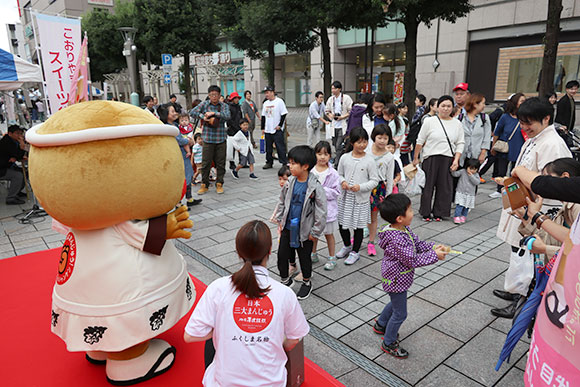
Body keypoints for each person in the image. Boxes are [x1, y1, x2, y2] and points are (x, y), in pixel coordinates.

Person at [184, 220, 309, 387]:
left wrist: (223, 329)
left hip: (224, 383)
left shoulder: (218, 287)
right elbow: (294, 339)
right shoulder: (284, 294)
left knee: (212, 333)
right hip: (271, 383)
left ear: (238, 252)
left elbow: (191, 335)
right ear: (269, 251)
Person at [491, 97, 572, 319]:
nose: (524, 127)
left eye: (529, 122)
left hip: (537, 208)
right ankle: (515, 290)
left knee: (528, 256)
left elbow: (555, 187)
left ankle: (521, 300)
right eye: (522, 121)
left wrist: (538, 215)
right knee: (518, 251)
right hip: (524, 202)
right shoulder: (536, 137)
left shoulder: (553, 144)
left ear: (546, 119)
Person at [373, 193, 447, 358]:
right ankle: (389, 342)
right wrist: (435, 256)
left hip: (398, 277)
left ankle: (381, 325)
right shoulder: (397, 238)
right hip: (396, 278)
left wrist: (433, 247)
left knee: (395, 302)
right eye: (410, 210)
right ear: (400, 218)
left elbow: (418, 244)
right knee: (400, 313)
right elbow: (411, 260)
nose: (413, 213)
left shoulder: (402, 229)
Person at [274, 145, 327, 300]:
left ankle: (306, 282)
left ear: (305, 166)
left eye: (293, 163)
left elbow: (322, 211)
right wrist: (279, 219)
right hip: (288, 226)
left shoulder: (314, 186)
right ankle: (285, 280)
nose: (289, 166)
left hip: (305, 230)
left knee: (304, 258)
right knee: (282, 255)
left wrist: (315, 231)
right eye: (289, 162)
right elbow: (282, 201)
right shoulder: (290, 182)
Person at [413, 95, 465, 221]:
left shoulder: (457, 123)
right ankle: (425, 212)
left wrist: (456, 159)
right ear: (437, 107)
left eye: (449, 106)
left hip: (447, 158)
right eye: (443, 106)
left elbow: (460, 143)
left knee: (445, 187)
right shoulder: (429, 121)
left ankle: (439, 213)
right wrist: (415, 158)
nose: (446, 109)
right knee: (428, 186)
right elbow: (420, 140)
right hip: (430, 157)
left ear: (452, 108)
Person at [336, 127, 379, 265]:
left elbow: (374, 180)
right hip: (345, 197)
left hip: (361, 199)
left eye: (365, 141)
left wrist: (360, 187)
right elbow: (339, 174)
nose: (362, 145)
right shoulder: (344, 158)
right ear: (352, 142)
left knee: (358, 226)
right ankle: (347, 245)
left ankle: (355, 252)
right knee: (342, 224)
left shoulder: (369, 160)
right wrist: (342, 181)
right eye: (359, 142)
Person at [158, 104, 202, 207]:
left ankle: (189, 198)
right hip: (179, 155)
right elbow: (179, 140)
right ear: (166, 115)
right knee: (182, 179)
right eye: (172, 112)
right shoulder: (168, 127)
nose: (175, 113)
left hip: (183, 155)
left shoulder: (174, 125)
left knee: (188, 175)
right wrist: (188, 140)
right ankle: (178, 203)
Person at [191, 85, 231, 195]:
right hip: (208, 139)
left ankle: (219, 184)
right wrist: (202, 116)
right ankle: (204, 184)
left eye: (216, 95)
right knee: (205, 163)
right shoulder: (204, 104)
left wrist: (214, 114)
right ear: (209, 95)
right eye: (212, 95)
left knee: (220, 163)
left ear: (219, 95)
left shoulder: (223, 105)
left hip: (220, 138)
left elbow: (227, 116)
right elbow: (192, 112)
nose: (214, 97)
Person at [310, 141, 341, 270]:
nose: (322, 157)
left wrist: (321, 191)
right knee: (313, 234)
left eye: (326, 154)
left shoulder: (333, 173)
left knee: (329, 234)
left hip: (328, 210)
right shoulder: (310, 171)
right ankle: (313, 253)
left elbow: (336, 192)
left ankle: (332, 257)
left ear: (330, 156)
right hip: (312, 209)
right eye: (319, 154)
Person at [489, 93, 526, 198]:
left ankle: (512, 191)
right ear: (515, 103)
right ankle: (499, 190)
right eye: (521, 101)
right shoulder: (505, 117)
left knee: (515, 171)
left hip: (519, 147)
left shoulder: (525, 118)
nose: (524, 103)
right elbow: (497, 132)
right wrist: (493, 145)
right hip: (504, 148)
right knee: (501, 170)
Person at [367, 125, 395, 257]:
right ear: (374, 137)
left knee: (373, 217)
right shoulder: (366, 150)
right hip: (363, 186)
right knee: (360, 215)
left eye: (385, 138)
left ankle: (371, 241)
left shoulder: (389, 156)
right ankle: (357, 236)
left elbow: (389, 177)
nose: (382, 141)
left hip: (378, 189)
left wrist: (388, 196)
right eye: (380, 137)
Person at [458, 93, 491, 166]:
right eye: (483, 103)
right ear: (475, 104)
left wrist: (483, 153)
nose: (484, 106)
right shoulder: (460, 118)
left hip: (476, 154)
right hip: (461, 154)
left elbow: (487, 137)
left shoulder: (484, 118)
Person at [261, 86, 289, 169]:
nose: (266, 94)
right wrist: (263, 128)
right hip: (268, 129)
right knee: (268, 147)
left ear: (273, 92)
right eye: (265, 93)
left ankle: (284, 162)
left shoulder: (279, 101)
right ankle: (269, 162)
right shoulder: (265, 103)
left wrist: (280, 125)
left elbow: (283, 114)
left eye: (268, 92)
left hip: (277, 128)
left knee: (280, 146)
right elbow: (263, 116)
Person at [0, 125, 27, 205]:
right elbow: (19, 155)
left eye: (20, 133)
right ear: (10, 133)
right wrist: (22, 145)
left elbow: (16, 155)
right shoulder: (6, 142)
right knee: (18, 175)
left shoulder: (11, 141)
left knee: (24, 172)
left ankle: (17, 191)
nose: (19, 136)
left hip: (6, 165)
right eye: (17, 133)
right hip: (2, 168)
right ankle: (11, 198)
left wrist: (15, 156)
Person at [325, 81, 353, 155]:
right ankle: (339, 157)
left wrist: (342, 117)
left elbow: (351, 111)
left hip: (343, 124)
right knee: (334, 144)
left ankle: (337, 162)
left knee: (338, 145)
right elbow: (327, 111)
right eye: (332, 89)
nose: (333, 90)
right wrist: (331, 116)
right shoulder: (331, 99)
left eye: (334, 89)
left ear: (339, 89)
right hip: (334, 125)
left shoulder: (346, 98)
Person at [451, 158, 481, 224]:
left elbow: (477, 182)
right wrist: (452, 170)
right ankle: (457, 216)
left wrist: (471, 176)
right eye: (470, 168)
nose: (472, 171)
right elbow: (455, 174)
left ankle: (463, 216)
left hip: (470, 194)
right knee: (460, 205)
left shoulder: (476, 175)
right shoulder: (463, 171)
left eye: (474, 169)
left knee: (466, 206)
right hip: (461, 192)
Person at [227, 92, 243, 170]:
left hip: (239, 129)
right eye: (235, 98)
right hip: (232, 130)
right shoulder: (229, 107)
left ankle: (241, 161)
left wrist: (242, 125)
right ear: (232, 99)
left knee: (240, 145)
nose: (237, 100)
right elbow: (229, 120)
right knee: (232, 147)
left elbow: (241, 117)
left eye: (237, 98)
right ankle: (231, 162)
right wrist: (236, 127)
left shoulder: (239, 107)